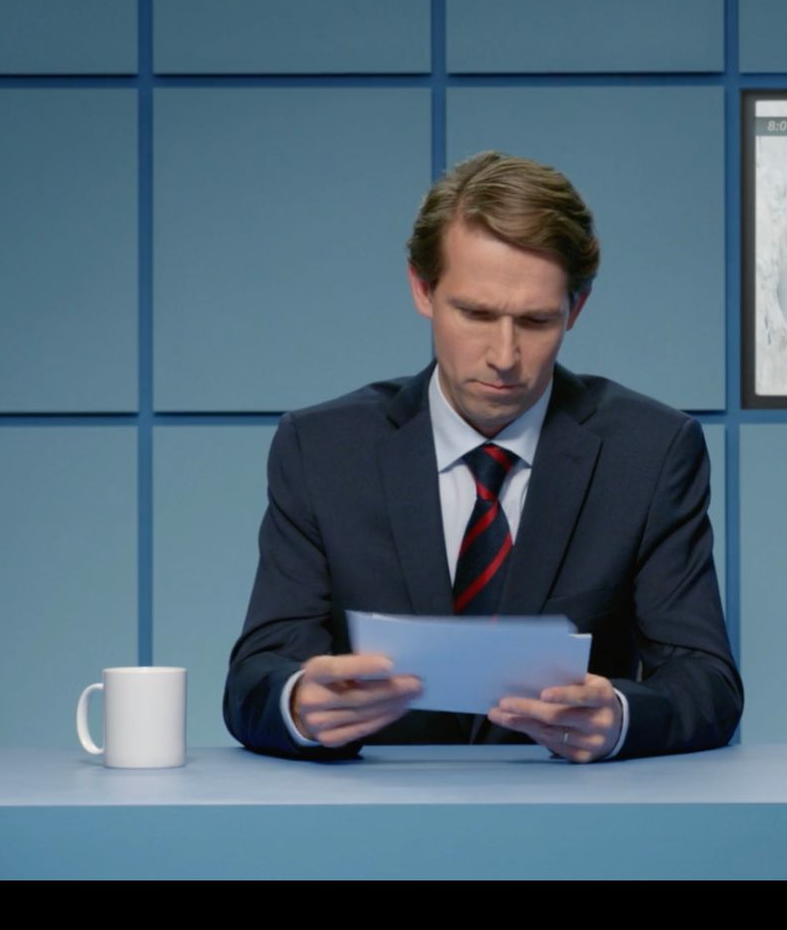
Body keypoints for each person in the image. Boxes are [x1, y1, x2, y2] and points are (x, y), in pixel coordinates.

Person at [224, 151, 742, 763]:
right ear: (423, 288)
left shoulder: (652, 452)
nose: (503, 354)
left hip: (573, 830)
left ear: (576, 310)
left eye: (536, 320)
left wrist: (622, 717)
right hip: (375, 834)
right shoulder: (322, 450)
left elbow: (707, 682)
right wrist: (299, 704)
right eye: (475, 313)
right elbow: (256, 677)